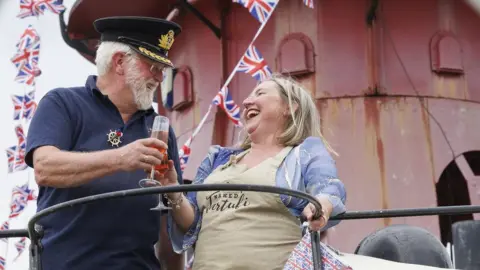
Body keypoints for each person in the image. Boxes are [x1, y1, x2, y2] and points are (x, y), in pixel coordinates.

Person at [25, 16, 184, 270]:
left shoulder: (160, 128)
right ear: (120, 62)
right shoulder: (63, 103)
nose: (160, 76)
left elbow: (167, 225)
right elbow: (45, 167)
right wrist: (122, 158)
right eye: (153, 66)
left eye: (163, 68)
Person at [154, 74, 347, 269]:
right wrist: (173, 190)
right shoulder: (217, 159)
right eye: (248, 96)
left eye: (260, 93)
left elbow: (328, 188)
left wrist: (321, 206)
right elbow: (191, 224)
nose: (246, 102)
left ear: (290, 106)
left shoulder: (302, 153)